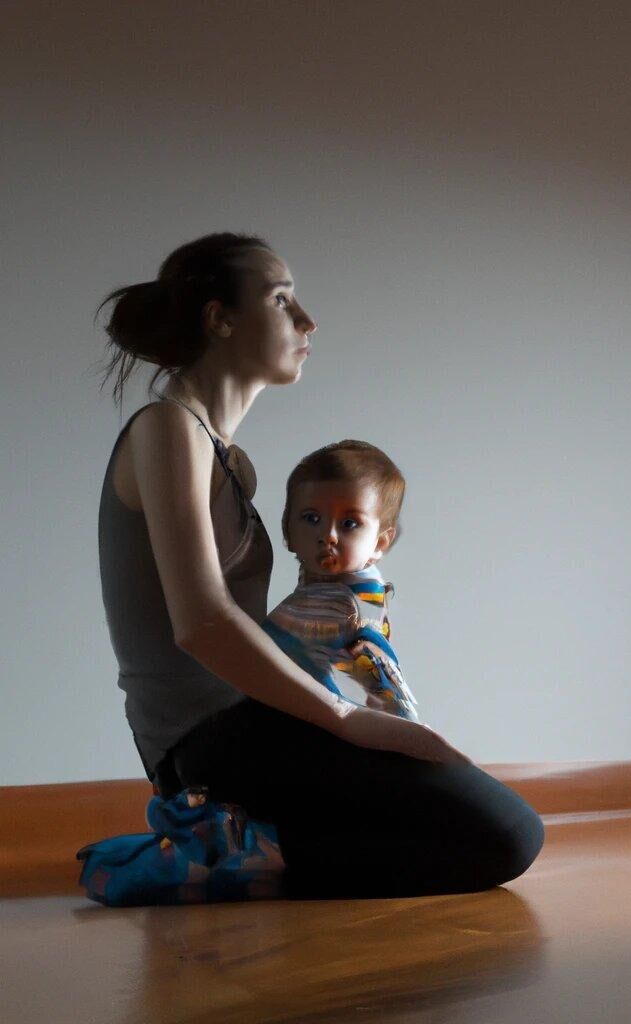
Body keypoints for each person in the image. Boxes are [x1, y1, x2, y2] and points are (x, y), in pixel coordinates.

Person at [93, 232, 545, 899]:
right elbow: (202, 624)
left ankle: (248, 847)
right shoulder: (167, 427)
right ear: (221, 319)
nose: (307, 320)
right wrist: (346, 719)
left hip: (249, 723)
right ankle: (218, 849)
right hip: (201, 743)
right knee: (507, 837)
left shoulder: (228, 460)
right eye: (282, 300)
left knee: (497, 830)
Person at [261, 439, 418, 721]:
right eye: (312, 518)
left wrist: (397, 719)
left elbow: (384, 679)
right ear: (288, 531)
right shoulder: (319, 587)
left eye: (349, 524)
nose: (328, 535)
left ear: (379, 543)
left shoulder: (354, 605)